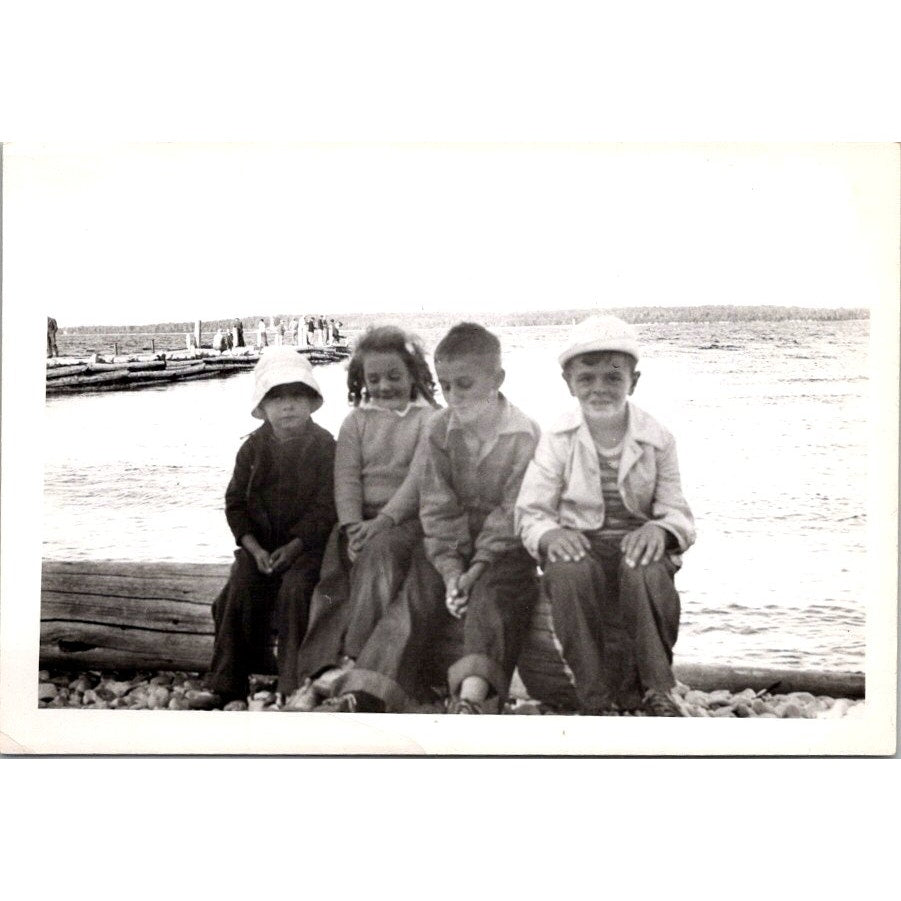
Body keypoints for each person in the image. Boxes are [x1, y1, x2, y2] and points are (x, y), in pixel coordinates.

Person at [322, 323, 540, 714]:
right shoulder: (440, 428)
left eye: (465, 384)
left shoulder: (524, 435)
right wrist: (452, 569)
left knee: (491, 595)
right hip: (448, 546)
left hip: (504, 550)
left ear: (497, 379)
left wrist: (476, 568)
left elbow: (515, 511)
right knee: (417, 591)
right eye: (446, 386)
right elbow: (437, 507)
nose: (454, 396)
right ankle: (371, 689)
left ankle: (472, 698)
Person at [515, 315, 695, 716]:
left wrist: (661, 530)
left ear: (634, 381)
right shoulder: (558, 439)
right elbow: (531, 511)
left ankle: (657, 688)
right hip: (583, 543)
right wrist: (549, 536)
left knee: (645, 569)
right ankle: (593, 695)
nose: (599, 388)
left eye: (613, 377)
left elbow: (678, 511)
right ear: (568, 383)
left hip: (635, 542)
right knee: (567, 570)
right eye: (587, 377)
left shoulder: (658, 438)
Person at [288, 326, 440, 710]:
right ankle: (316, 671)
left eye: (394, 377)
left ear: (414, 375)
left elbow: (418, 480)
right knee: (333, 579)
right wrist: (353, 527)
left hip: (406, 521)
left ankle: (353, 659)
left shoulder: (429, 420)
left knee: (380, 554)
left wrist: (383, 523)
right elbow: (346, 479)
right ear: (361, 381)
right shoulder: (356, 422)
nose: (384, 386)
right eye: (373, 379)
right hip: (360, 521)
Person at [204, 348, 337, 706]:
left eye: (296, 396)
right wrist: (256, 550)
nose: (288, 406)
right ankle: (225, 683)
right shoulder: (252, 449)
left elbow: (328, 508)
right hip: (260, 548)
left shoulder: (325, 446)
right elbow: (236, 504)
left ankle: (291, 683)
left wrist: (295, 546)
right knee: (239, 587)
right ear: (262, 407)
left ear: (311, 401)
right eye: (276, 398)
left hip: (307, 549)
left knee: (296, 590)